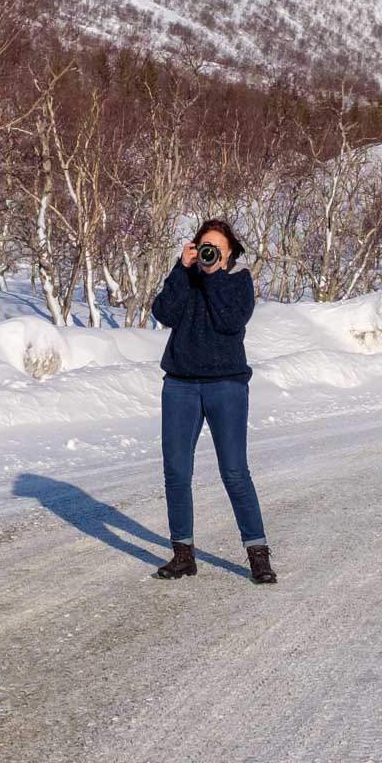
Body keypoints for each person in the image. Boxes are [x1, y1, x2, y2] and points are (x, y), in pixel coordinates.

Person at [150, 219, 276, 584]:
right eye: (203, 245)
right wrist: (181, 269)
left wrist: (213, 273)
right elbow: (164, 313)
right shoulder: (186, 277)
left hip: (226, 386)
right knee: (176, 472)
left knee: (234, 471)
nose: (208, 253)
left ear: (230, 253)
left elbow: (230, 321)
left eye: (216, 249)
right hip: (180, 385)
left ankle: (258, 556)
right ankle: (182, 555)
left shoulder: (238, 281)